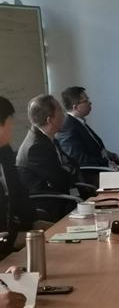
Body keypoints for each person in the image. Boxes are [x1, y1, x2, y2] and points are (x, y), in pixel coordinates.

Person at [16, 95, 81, 197]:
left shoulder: (47, 137)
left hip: (64, 193)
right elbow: (61, 179)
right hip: (52, 200)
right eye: (60, 110)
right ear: (49, 120)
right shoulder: (36, 147)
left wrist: (68, 169)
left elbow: (73, 164)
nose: (64, 114)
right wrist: (69, 169)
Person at [0, 97, 38, 259]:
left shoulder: (4, 151)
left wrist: (32, 223)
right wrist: (13, 238)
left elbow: (18, 190)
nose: (12, 128)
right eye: (10, 122)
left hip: (11, 233)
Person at [56, 87, 119, 171]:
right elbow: (78, 159)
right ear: (75, 107)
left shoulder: (79, 122)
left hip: (102, 165)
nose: (90, 102)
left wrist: (108, 154)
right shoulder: (67, 127)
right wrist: (108, 164)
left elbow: (93, 149)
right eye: (86, 100)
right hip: (92, 172)